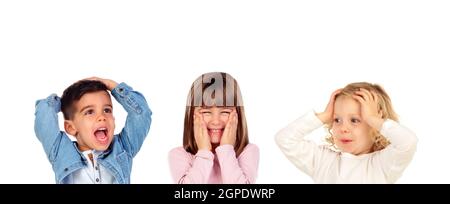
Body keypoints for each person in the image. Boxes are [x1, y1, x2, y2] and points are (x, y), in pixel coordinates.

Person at [275, 82, 418, 183]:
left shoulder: (383, 164)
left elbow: (408, 142)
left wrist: (372, 118)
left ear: (376, 124)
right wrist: (323, 116)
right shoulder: (323, 161)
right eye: (337, 119)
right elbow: (284, 139)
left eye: (355, 120)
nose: (343, 128)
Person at [34, 77, 152, 184]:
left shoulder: (122, 148)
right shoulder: (61, 152)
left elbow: (142, 114)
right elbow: (43, 117)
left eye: (107, 110)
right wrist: (65, 101)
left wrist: (111, 85)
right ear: (71, 127)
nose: (102, 117)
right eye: (89, 112)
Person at [169, 72, 259, 183]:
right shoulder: (179, 155)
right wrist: (204, 151)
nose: (216, 121)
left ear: (238, 116)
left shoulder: (248, 152)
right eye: (206, 112)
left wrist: (226, 148)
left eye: (225, 112)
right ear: (191, 116)